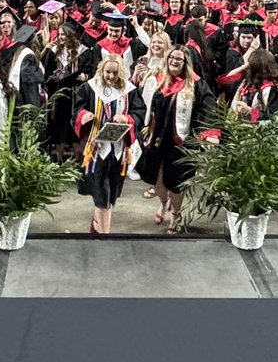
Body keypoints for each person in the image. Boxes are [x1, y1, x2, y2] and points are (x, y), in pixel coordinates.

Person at [137, 47, 215, 233]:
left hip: (182, 140)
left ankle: (175, 215)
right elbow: (143, 105)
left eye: (178, 59)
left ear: (185, 63)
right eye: (171, 57)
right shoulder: (157, 80)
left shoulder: (197, 84)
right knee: (157, 179)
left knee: (176, 182)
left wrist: (207, 133)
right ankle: (163, 204)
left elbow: (209, 109)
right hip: (156, 139)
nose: (174, 61)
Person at [73, 55, 145, 235]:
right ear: (101, 71)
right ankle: (104, 236)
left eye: (114, 73)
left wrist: (127, 118)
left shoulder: (129, 90)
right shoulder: (90, 88)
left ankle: (97, 227)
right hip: (96, 151)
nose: (111, 77)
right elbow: (76, 110)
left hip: (119, 151)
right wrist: (84, 116)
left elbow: (140, 113)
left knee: (111, 195)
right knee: (101, 196)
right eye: (107, 72)